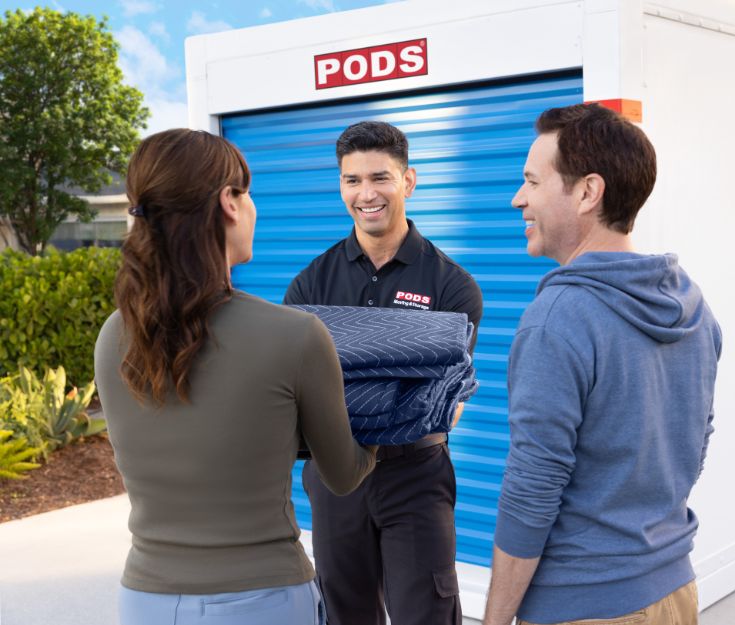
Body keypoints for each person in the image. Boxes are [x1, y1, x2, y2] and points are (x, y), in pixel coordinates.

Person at [95, 129, 376, 625]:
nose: (253, 210)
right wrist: (395, 409)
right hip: (263, 599)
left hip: (145, 601)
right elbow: (343, 474)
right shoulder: (295, 335)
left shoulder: (115, 334)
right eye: (248, 194)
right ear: (229, 201)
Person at [482, 104, 722, 625]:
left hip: (583, 604)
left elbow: (532, 489)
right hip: (674, 590)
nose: (518, 198)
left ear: (588, 192)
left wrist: (497, 619)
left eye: (532, 181)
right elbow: (694, 442)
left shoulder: (558, 319)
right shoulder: (694, 306)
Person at [283, 120, 483, 625]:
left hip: (416, 475)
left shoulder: (453, 288)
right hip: (333, 479)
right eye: (352, 180)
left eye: (380, 178)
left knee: (427, 614)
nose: (365, 194)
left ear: (408, 181)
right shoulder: (310, 286)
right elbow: (297, 401)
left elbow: (439, 409)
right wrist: (399, 378)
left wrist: (346, 385)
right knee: (345, 613)